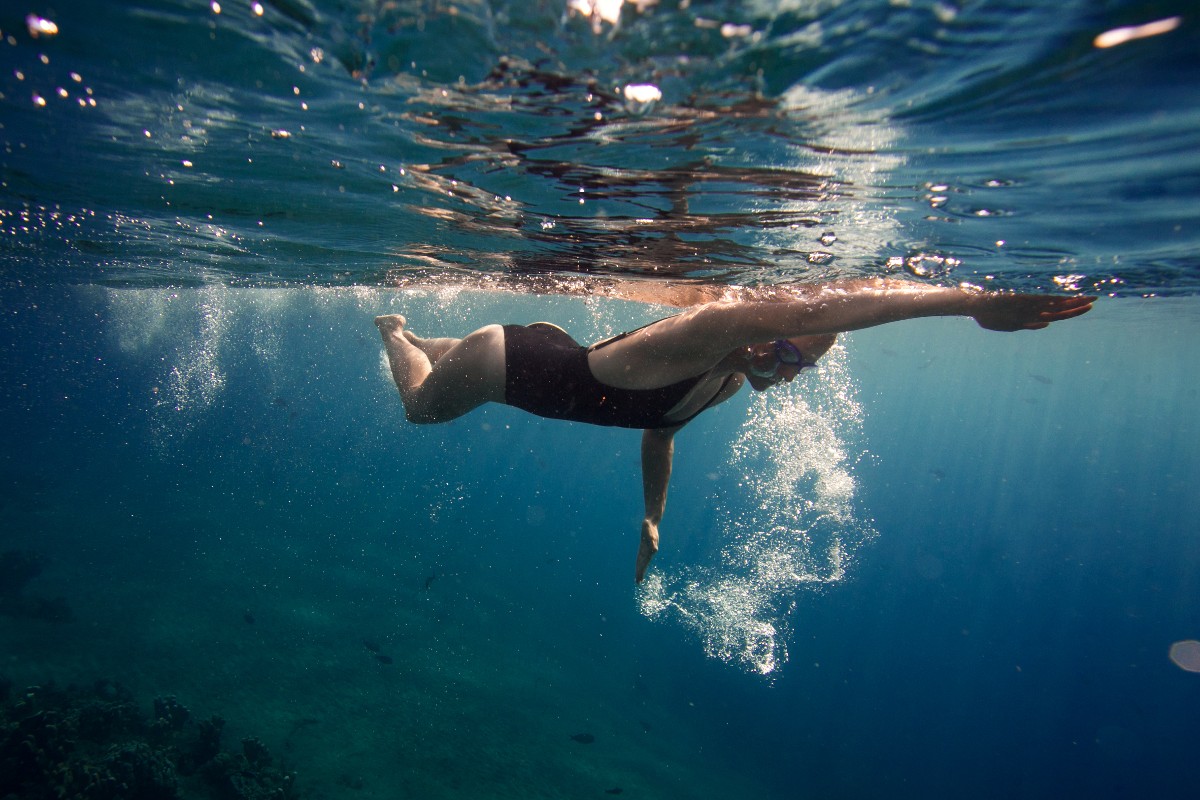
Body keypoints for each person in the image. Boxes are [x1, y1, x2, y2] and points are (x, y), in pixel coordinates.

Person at [376, 277, 1094, 583]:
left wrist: (652, 519)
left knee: (453, 369)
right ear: (764, 333)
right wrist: (967, 301)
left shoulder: (721, 383)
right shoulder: (701, 339)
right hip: (507, 360)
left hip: (543, 350)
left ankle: (439, 346)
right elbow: (822, 308)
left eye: (800, 368)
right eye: (783, 350)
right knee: (417, 408)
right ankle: (398, 330)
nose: (784, 371)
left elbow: (661, 432)